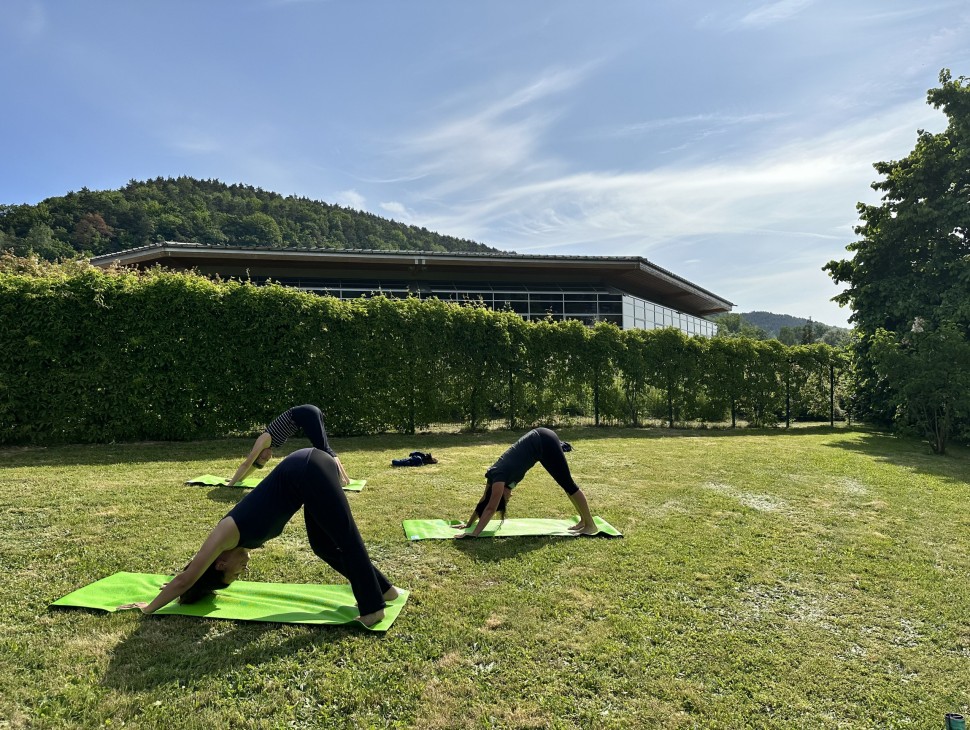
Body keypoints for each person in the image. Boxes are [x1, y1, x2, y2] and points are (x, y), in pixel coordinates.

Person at [118, 448, 398, 626]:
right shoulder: (238, 542)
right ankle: (384, 588)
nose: (244, 571)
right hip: (307, 477)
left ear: (220, 564)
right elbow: (189, 579)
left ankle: (372, 606)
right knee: (323, 544)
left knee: (346, 538)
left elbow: (187, 578)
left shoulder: (225, 534)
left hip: (308, 468)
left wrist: (149, 608)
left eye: (234, 574)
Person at [454, 427, 598, 538]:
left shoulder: (499, 477)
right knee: (566, 485)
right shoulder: (495, 477)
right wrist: (468, 525)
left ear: (500, 492)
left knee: (569, 484)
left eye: (505, 499)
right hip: (540, 443)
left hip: (544, 441)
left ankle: (590, 525)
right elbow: (484, 500)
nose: (510, 497)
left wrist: (475, 533)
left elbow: (491, 507)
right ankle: (583, 521)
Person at [228, 404, 350, 487]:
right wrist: (240, 480)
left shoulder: (264, 439)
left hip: (306, 414)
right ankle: (345, 479)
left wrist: (231, 483)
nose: (268, 458)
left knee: (323, 448)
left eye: (263, 458)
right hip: (309, 413)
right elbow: (253, 466)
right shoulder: (269, 445)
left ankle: (341, 479)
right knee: (325, 447)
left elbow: (247, 463)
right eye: (266, 461)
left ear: (259, 454)